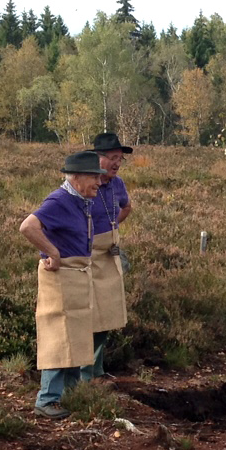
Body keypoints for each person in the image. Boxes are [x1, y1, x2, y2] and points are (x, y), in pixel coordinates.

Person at [21, 150, 102, 417]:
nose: (99, 183)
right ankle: (46, 400)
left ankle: (68, 396)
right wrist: (52, 252)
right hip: (61, 276)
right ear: (76, 177)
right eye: (94, 177)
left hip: (76, 275)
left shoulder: (81, 200)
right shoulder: (59, 200)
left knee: (75, 335)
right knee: (58, 335)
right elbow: (28, 227)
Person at [82, 131, 133, 381]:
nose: (116, 163)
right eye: (113, 157)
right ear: (97, 158)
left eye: (120, 159)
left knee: (107, 315)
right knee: (87, 314)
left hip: (108, 256)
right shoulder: (85, 183)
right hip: (84, 257)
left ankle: (97, 369)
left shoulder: (118, 184)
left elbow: (127, 207)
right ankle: (82, 373)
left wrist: (113, 227)